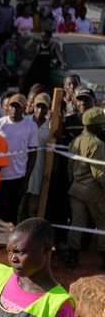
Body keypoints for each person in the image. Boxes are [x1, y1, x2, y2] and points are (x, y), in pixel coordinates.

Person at [67, 108, 105, 268]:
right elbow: (99, 174)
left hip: (76, 188)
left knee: (77, 223)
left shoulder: (76, 141)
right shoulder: (97, 144)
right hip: (94, 192)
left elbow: (70, 167)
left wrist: (73, 182)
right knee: (103, 224)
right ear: (96, 126)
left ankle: (71, 256)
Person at [0, 95, 38, 223]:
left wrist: (27, 179)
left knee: (11, 214)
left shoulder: (31, 126)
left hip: (17, 177)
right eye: (12, 105)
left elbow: (33, 154)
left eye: (18, 106)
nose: (14, 109)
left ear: (24, 108)